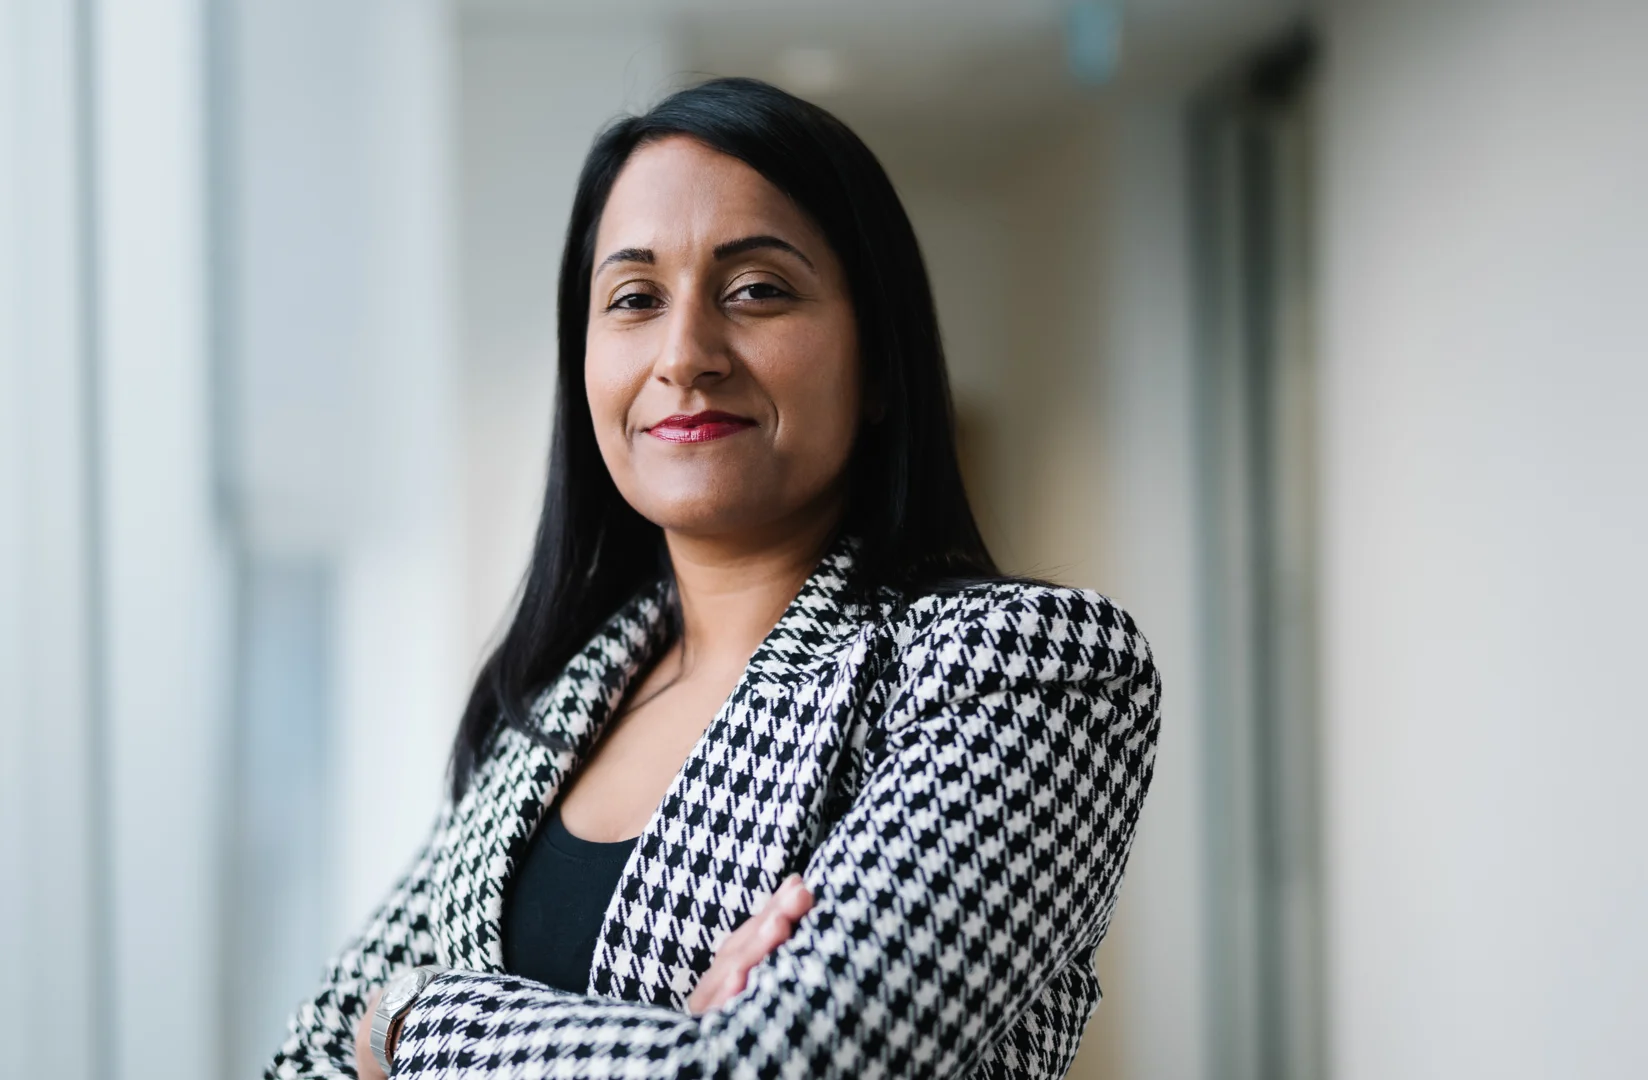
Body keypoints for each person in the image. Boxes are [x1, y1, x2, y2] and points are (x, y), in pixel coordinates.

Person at [266, 76, 1160, 1080]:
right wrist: (674, 1043)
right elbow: (304, 1058)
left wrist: (409, 1023)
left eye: (757, 290)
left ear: (877, 360)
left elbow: (776, 1072)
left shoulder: (1028, 668)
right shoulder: (555, 700)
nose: (685, 355)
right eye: (634, 299)